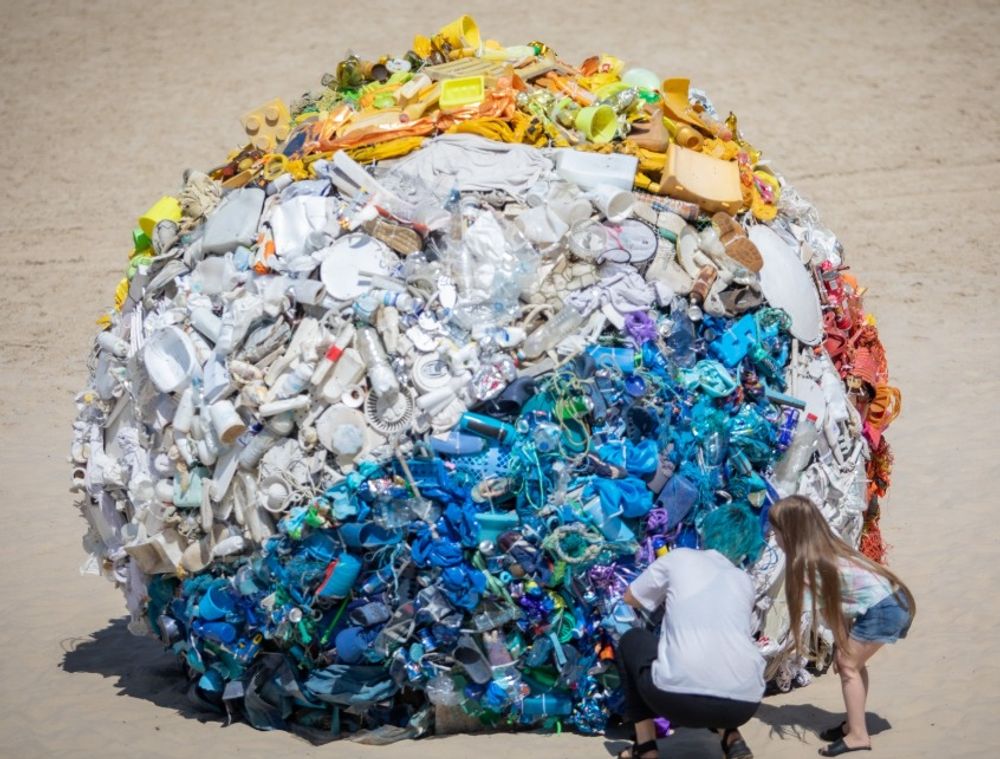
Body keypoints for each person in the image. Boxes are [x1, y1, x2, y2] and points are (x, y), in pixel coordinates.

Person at [768, 495, 915, 757]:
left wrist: (842, 645)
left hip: (885, 608)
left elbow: (831, 610)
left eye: (776, 530)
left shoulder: (807, 565)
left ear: (790, 533)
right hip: (892, 600)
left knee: (847, 665)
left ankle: (858, 735)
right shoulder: (823, 548)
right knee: (852, 665)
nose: (773, 535)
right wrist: (844, 644)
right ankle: (853, 723)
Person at [616, 504, 765, 759]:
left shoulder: (680, 557)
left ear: (709, 530)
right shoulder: (744, 581)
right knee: (722, 651)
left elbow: (631, 598)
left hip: (676, 701)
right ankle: (733, 737)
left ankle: (646, 748)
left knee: (631, 640)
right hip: (744, 705)